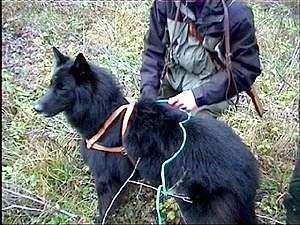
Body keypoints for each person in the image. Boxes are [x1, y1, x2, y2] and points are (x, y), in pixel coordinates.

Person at [139, 0, 261, 117]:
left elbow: (245, 69)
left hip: (215, 89)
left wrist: (196, 96)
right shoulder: (165, 4)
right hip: (174, 79)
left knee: (195, 128)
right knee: (148, 120)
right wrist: (148, 95)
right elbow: (153, 52)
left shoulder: (235, 13)